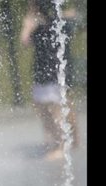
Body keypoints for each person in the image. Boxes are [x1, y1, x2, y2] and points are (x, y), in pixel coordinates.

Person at [20, 0, 80, 161]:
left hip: (54, 75)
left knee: (56, 111)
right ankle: (61, 142)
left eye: (32, 7)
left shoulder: (54, 24)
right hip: (44, 75)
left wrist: (28, 24)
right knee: (47, 111)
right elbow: (25, 41)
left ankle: (62, 146)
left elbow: (24, 41)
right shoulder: (41, 26)